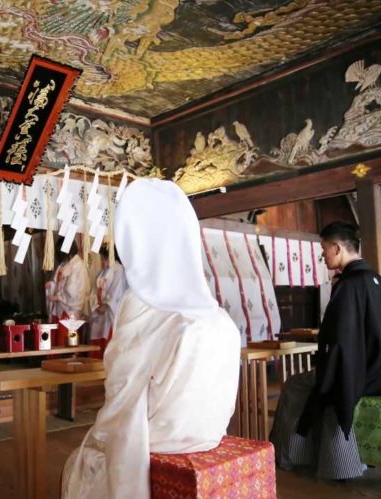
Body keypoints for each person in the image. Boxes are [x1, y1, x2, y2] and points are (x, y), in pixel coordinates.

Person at [61, 179, 240, 499]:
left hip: (161, 437)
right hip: (210, 431)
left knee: (90, 452)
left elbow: (121, 393)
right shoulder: (220, 317)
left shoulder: (142, 304)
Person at [270, 221, 381, 480]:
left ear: (336, 247)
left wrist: (329, 375)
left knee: (295, 385)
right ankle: (307, 454)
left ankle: (295, 457)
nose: (322, 256)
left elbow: (343, 342)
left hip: (366, 373)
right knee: (312, 383)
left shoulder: (349, 284)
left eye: (324, 249)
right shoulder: (374, 278)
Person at [88, 245, 127, 358]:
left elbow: (117, 292)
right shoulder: (102, 272)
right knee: (97, 346)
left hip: (110, 314)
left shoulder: (118, 269)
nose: (103, 261)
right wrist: (96, 305)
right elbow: (94, 292)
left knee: (108, 344)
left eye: (104, 258)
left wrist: (105, 305)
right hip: (100, 313)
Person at [47, 238, 91, 340]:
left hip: (69, 310)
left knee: (66, 339)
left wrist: (58, 297)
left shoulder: (78, 265)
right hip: (61, 309)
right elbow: (57, 282)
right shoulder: (65, 264)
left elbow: (74, 291)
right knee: (58, 339)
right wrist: (52, 285)